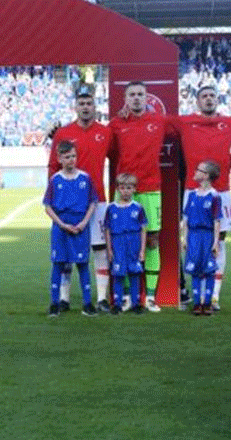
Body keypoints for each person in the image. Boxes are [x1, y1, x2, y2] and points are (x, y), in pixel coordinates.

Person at [171, 85, 231, 311]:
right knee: (193, 238)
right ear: (197, 101)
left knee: (219, 241)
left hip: (221, 190)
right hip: (193, 190)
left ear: (218, 99)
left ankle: (213, 296)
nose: (209, 99)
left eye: (212, 95)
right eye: (204, 96)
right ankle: (196, 295)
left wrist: (228, 161)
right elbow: (158, 123)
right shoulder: (185, 121)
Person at [48, 85, 113, 312]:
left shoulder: (106, 132)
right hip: (67, 204)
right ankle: (64, 299)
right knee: (65, 250)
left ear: (95, 107)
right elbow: (52, 167)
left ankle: (102, 298)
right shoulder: (63, 133)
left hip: (98, 201)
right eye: (81, 104)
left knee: (99, 248)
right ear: (75, 108)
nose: (85, 108)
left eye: (89, 104)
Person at [110, 81, 171, 312]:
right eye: (132, 94)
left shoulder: (159, 121)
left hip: (151, 188)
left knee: (153, 240)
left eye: (140, 94)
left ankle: (152, 297)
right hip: (124, 188)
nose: (136, 98)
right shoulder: (116, 124)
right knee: (123, 241)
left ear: (147, 98)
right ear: (125, 99)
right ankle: (126, 296)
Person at [43, 141, 98, 317]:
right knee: (58, 264)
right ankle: (54, 303)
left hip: (80, 226)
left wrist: (84, 222)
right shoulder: (55, 180)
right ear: (59, 158)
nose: (71, 160)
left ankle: (88, 303)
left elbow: (93, 202)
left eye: (73, 156)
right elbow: (48, 207)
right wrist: (61, 224)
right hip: (61, 227)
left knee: (82, 264)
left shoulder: (85, 178)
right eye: (67, 157)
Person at [181, 160, 222, 316]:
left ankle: (208, 303)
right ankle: (197, 303)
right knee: (195, 270)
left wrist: (215, 243)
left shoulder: (214, 196)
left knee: (209, 270)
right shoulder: (192, 195)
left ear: (206, 175)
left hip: (207, 236)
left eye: (198, 170)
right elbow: (185, 219)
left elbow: (217, 221)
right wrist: (184, 238)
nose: (195, 172)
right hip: (193, 237)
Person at [104, 173, 147, 315]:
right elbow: (108, 230)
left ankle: (136, 304)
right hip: (118, 243)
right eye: (122, 188)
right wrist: (109, 249)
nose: (125, 191)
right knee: (118, 274)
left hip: (133, 242)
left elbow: (143, 229)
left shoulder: (138, 207)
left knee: (134, 273)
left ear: (134, 189)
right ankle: (117, 304)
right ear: (117, 189)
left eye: (129, 188)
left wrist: (142, 250)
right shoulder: (111, 208)